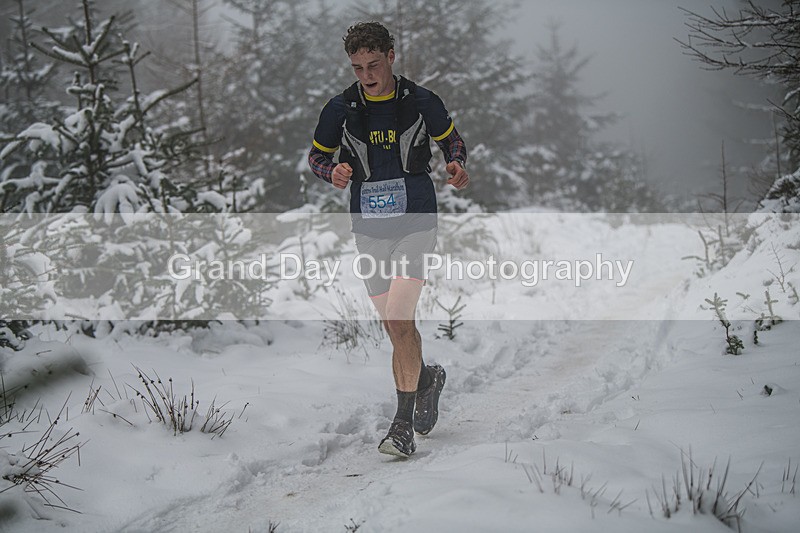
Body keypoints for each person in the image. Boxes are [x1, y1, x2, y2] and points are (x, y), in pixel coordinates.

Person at [308, 21, 469, 458]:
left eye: (373, 64)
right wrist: (332, 171)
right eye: (357, 67)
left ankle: (401, 428)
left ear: (391, 57)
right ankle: (428, 378)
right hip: (368, 228)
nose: (366, 75)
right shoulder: (340, 109)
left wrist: (455, 165)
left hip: (417, 220)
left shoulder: (421, 101)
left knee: (399, 319)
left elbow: (452, 141)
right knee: (396, 327)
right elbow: (317, 157)